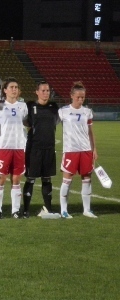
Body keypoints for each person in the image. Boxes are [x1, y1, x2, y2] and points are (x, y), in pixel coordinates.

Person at [58, 81, 98, 218]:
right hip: (70, 150)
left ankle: (87, 210)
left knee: (87, 178)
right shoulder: (63, 111)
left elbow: (91, 132)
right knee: (67, 179)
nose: (80, 99)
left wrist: (94, 150)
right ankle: (64, 210)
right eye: (78, 97)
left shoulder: (87, 112)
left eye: (83, 97)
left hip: (86, 150)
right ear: (71, 96)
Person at [22, 81, 60, 218]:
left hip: (49, 147)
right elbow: (24, 121)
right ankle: (25, 210)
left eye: (48, 90)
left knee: (47, 179)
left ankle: (48, 208)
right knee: (30, 179)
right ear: (36, 92)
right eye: (43, 90)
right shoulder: (30, 106)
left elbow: (55, 122)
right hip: (34, 148)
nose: (46, 93)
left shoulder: (54, 107)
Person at [0, 77, 28, 219]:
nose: (14, 89)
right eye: (11, 87)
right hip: (4, 147)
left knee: (16, 179)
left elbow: (27, 123)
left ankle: (15, 210)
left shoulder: (23, 106)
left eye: (16, 87)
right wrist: (1, 134)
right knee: (1, 178)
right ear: (5, 90)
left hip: (19, 147)